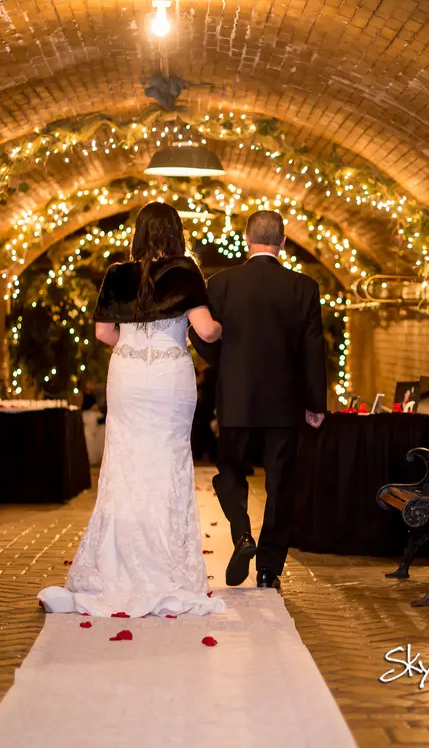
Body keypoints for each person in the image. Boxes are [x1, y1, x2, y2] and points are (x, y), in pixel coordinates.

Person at [38, 202, 225, 618]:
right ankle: (163, 563)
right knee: (167, 461)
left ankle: (116, 562)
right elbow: (206, 329)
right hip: (168, 377)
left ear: (139, 234)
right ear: (175, 233)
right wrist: (221, 328)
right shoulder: (184, 270)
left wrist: (133, 341)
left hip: (127, 375)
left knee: (123, 462)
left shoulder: (117, 274)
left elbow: (105, 333)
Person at [190, 210, 327, 591]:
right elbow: (313, 349)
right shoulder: (304, 287)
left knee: (229, 472)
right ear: (283, 242)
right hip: (284, 404)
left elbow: (201, 336)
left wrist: (226, 365)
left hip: (236, 399)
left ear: (247, 240)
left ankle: (241, 535)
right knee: (281, 485)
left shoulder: (221, 283)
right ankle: (269, 570)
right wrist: (316, 403)